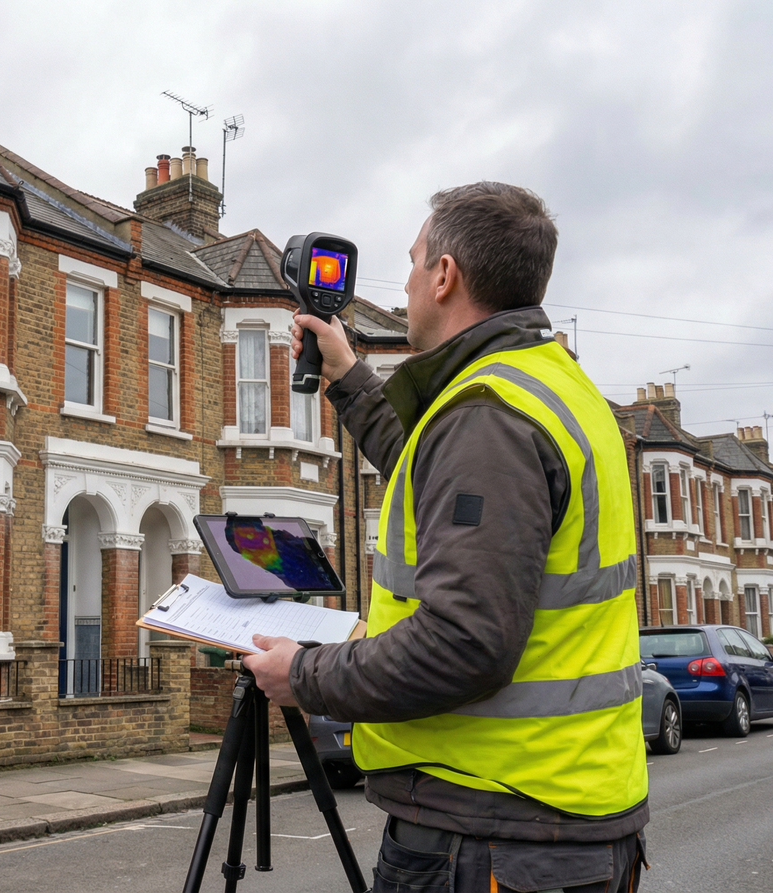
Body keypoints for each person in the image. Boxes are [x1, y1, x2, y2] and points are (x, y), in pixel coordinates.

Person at [244, 182, 647, 893]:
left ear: (445, 276)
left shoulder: (488, 415)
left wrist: (303, 674)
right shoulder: (554, 387)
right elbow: (438, 476)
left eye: (412, 262)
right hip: (561, 813)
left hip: (495, 829)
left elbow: (464, 643)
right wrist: (348, 376)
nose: (403, 286)